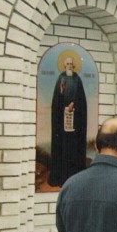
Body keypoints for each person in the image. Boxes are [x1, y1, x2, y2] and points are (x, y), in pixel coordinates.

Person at [48, 55, 88, 187]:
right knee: (63, 148)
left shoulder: (77, 79)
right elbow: (57, 99)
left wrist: (74, 104)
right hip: (63, 121)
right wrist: (64, 106)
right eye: (68, 64)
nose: (70, 65)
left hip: (75, 121)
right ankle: (62, 177)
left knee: (74, 148)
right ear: (64, 66)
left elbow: (81, 98)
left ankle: (75, 177)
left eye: (71, 64)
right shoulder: (61, 78)